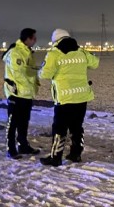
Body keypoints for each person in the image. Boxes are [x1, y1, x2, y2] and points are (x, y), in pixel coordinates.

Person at [39, 28, 99, 167]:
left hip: (64, 99)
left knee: (59, 129)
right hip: (82, 97)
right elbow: (95, 63)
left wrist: (42, 69)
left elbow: (45, 74)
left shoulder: (54, 54)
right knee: (77, 127)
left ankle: (56, 157)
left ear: (55, 40)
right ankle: (76, 154)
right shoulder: (81, 51)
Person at [2, 28, 41, 159]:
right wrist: (36, 72)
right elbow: (21, 73)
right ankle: (11, 149)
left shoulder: (27, 52)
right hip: (16, 93)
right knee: (13, 123)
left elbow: (27, 71)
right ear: (27, 39)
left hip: (26, 93)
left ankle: (23, 145)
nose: (35, 41)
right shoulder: (16, 52)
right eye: (34, 38)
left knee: (24, 122)